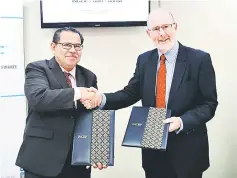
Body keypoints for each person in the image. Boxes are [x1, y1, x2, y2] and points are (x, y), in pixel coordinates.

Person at [82, 8, 218, 178]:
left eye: (166, 27)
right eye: (155, 29)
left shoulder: (199, 59)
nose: (161, 33)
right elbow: (130, 93)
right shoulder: (145, 60)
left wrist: (182, 121)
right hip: (152, 150)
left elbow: (209, 104)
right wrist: (100, 99)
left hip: (187, 150)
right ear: (148, 33)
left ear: (175, 27)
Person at [15, 27, 105, 178]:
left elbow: (91, 118)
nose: (72, 50)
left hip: (77, 163)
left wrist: (98, 152)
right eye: (66, 45)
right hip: (42, 161)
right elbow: (39, 98)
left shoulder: (89, 76)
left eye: (77, 46)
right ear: (53, 47)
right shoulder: (38, 69)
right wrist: (78, 92)